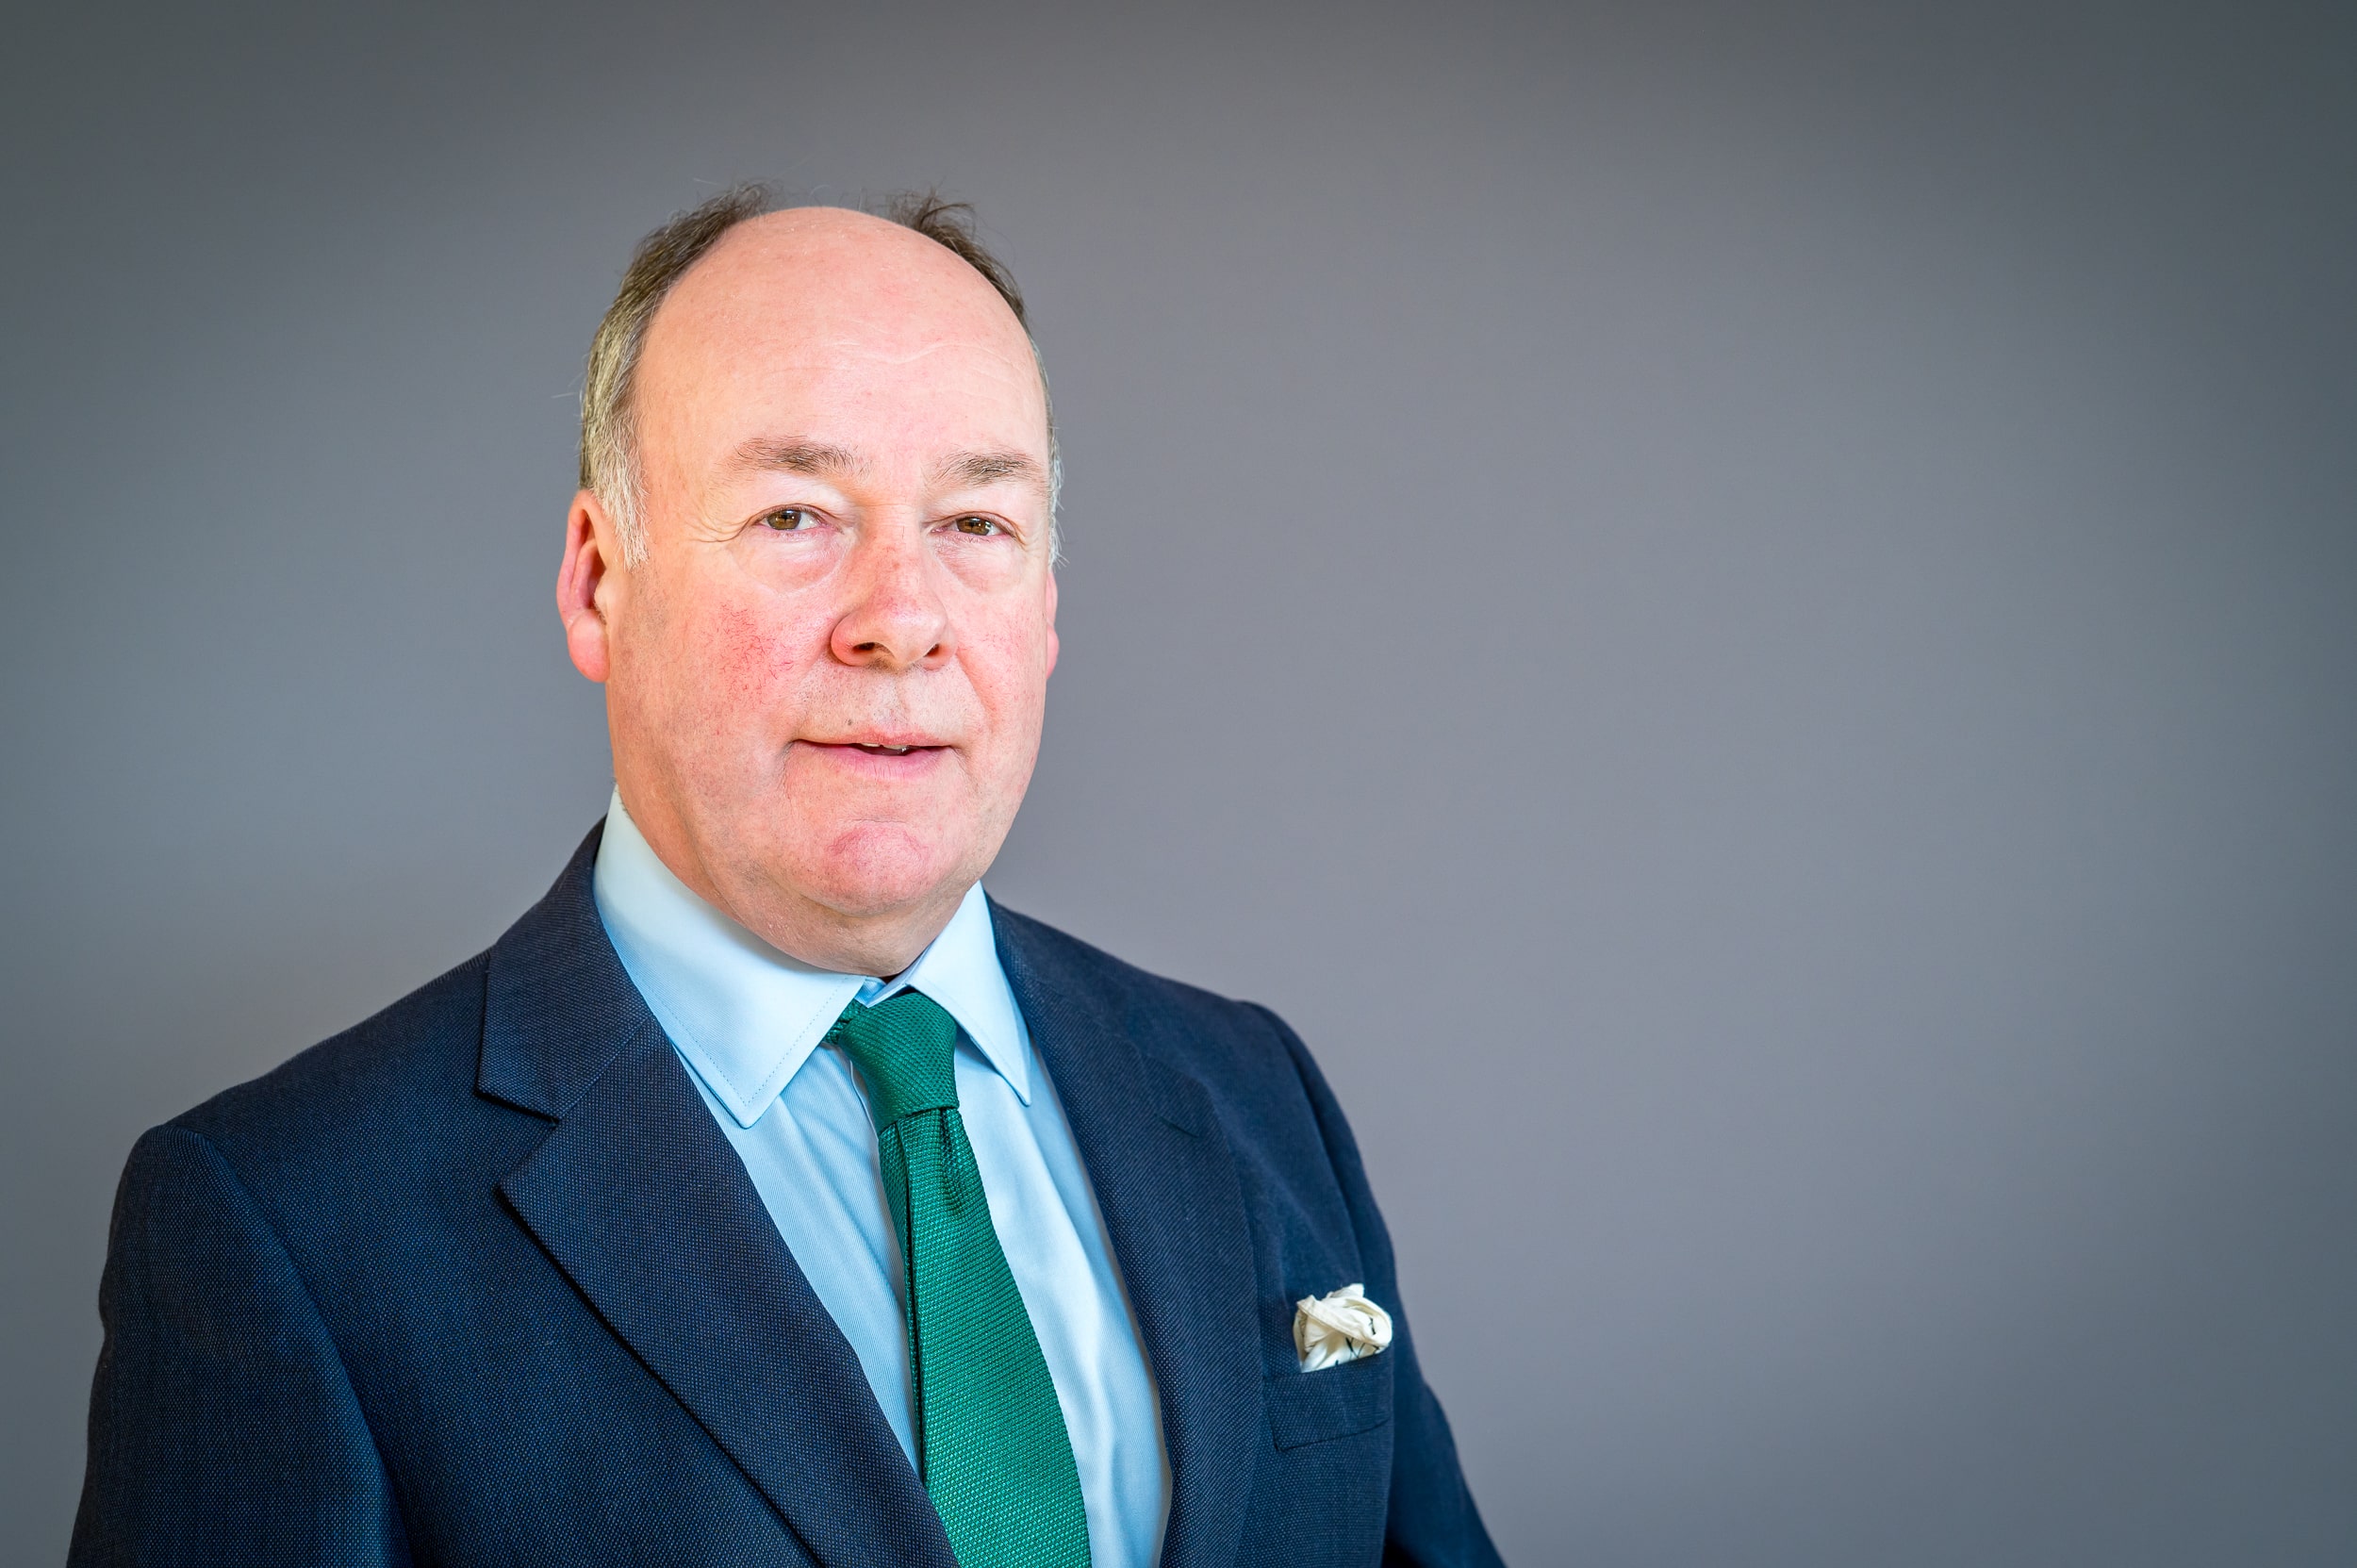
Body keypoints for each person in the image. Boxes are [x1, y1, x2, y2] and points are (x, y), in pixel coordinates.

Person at [69, 186, 1502, 1568]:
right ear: (597, 581)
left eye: (976, 524)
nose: (902, 623)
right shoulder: (291, 1227)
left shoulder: (1255, 1095)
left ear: (1048, 607)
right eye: (797, 515)